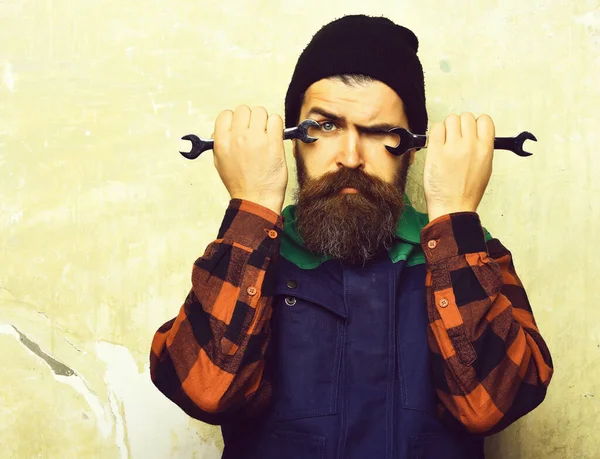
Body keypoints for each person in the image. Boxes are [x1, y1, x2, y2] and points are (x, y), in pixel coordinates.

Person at [150, 14, 553, 459]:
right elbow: (205, 390)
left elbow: (490, 408)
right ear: (291, 139)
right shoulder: (251, 253)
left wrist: (455, 214)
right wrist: (253, 202)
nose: (349, 156)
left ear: (415, 147)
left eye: (381, 132)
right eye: (322, 126)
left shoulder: (472, 253)